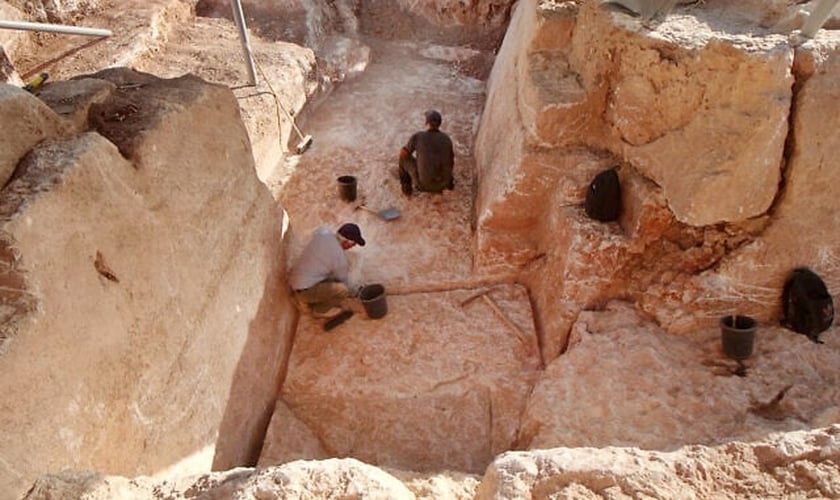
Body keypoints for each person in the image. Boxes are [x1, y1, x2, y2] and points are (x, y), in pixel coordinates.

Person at [289, 222, 366, 318]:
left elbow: (317, 231)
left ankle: (306, 297)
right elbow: (343, 281)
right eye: (353, 244)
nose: (353, 247)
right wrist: (355, 292)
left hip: (296, 280)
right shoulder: (339, 258)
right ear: (346, 242)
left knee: (330, 276)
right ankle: (319, 310)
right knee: (343, 290)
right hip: (303, 291)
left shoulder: (324, 232)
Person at [398, 109, 454, 196]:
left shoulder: (418, 136)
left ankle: (407, 192)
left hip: (423, 186)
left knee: (403, 157)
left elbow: (404, 153)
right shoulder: (447, 139)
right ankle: (450, 186)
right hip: (444, 185)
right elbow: (451, 161)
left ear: (426, 123)